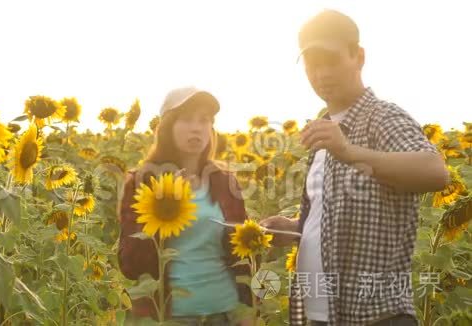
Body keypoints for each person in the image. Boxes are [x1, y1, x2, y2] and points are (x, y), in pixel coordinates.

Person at [260, 10, 448, 326]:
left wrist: (348, 150)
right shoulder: (325, 128)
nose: (321, 73)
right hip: (322, 314)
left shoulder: (382, 117)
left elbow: (435, 172)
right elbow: (334, 214)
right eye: (312, 63)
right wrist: (296, 228)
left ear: (357, 56)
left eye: (330, 60)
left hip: (376, 316)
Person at [118, 87, 254, 325]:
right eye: (187, 119)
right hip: (169, 315)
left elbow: (243, 255)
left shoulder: (224, 182)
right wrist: (164, 207)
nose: (196, 127)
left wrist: (249, 310)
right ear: (168, 127)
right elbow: (130, 265)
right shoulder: (143, 183)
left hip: (225, 312)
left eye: (204, 120)